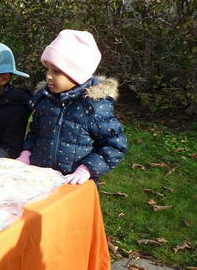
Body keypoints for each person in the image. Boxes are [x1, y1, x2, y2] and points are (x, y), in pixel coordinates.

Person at [16, 29, 128, 184]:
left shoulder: (94, 107)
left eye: (56, 71)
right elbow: (36, 132)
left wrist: (87, 169)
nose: (48, 75)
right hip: (39, 179)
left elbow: (115, 145)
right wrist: (26, 153)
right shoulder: (46, 99)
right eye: (47, 68)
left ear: (77, 73)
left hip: (73, 183)